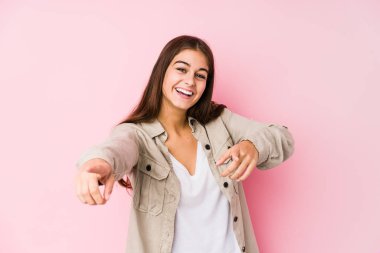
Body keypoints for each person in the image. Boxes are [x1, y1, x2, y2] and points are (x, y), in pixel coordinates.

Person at [75, 35, 295, 253]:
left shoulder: (219, 122)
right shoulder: (137, 134)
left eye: (200, 75)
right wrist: (98, 163)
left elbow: (281, 136)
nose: (190, 81)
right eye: (181, 69)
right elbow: (116, 149)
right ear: (162, 71)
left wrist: (252, 145)